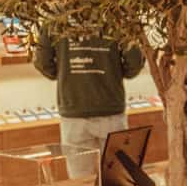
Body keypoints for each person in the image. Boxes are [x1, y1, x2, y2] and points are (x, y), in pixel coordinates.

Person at [33, 34, 146, 171]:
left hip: (73, 109)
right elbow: (134, 60)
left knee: (80, 182)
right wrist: (114, 73)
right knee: (118, 179)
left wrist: (65, 73)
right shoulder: (119, 15)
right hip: (111, 108)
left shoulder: (53, 17)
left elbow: (42, 61)